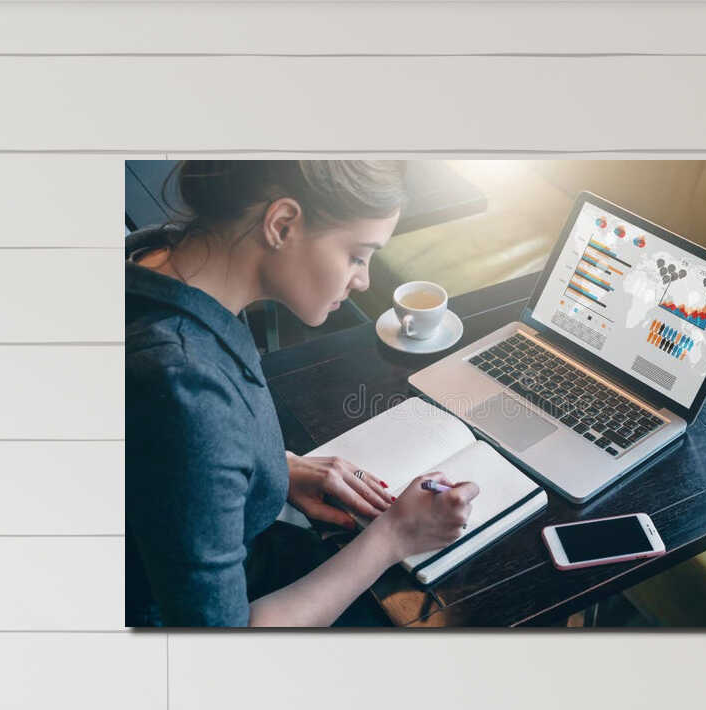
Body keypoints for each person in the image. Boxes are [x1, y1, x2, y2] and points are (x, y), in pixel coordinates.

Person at [126, 160, 478, 627]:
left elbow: (154, 461)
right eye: (357, 256)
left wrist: (269, 466)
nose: (364, 281)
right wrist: (393, 537)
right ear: (282, 224)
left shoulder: (155, 255)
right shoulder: (185, 388)